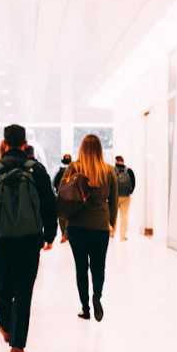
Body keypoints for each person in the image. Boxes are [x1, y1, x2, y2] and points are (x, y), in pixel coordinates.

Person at [0, 124, 57, 352]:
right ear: (24, 142)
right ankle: (18, 347)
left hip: (0, 239)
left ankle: (5, 325)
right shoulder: (36, 169)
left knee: (2, 283)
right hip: (30, 239)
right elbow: (49, 204)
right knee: (24, 291)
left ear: (5, 142)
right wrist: (49, 235)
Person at [60, 135, 118, 321]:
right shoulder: (109, 171)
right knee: (98, 266)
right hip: (100, 226)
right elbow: (114, 201)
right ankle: (97, 296)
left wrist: (63, 226)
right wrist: (113, 223)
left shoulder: (73, 168)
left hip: (77, 225)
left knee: (81, 268)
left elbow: (62, 193)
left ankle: (85, 308)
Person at [113, 155, 136, 241]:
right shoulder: (129, 170)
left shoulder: (113, 170)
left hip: (115, 196)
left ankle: (112, 233)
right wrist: (130, 192)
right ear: (123, 161)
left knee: (113, 216)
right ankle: (122, 236)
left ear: (116, 161)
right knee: (124, 216)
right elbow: (133, 182)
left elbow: (110, 183)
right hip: (126, 196)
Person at [53, 154, 72, 242]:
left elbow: (54, 183)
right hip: (71, 196)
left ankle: (63, 233)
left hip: (61, 195)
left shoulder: (59, 171)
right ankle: (67, 233)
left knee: (61, 216)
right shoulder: (73, 171)